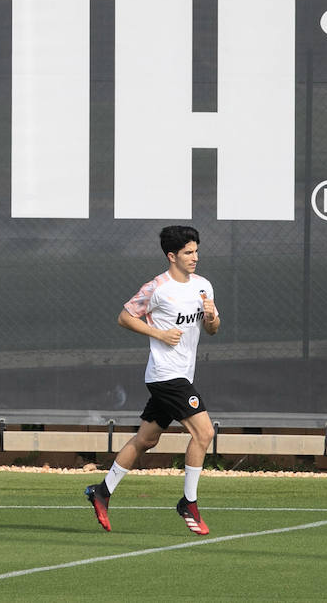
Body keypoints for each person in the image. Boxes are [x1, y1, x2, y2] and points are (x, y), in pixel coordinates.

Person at [86, 225, 220, 535]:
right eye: (188, 252)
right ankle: (189, 503)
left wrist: (211, 317)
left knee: (146, 439)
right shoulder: (157, 288)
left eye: (197, 251)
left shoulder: (203, 286)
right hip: (165, 376)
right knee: (204, 433)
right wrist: (158, 333)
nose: (195, 257)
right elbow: (124, 317)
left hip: (181, 375)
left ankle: (102, 491)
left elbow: (213, 329)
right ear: (172, 256)